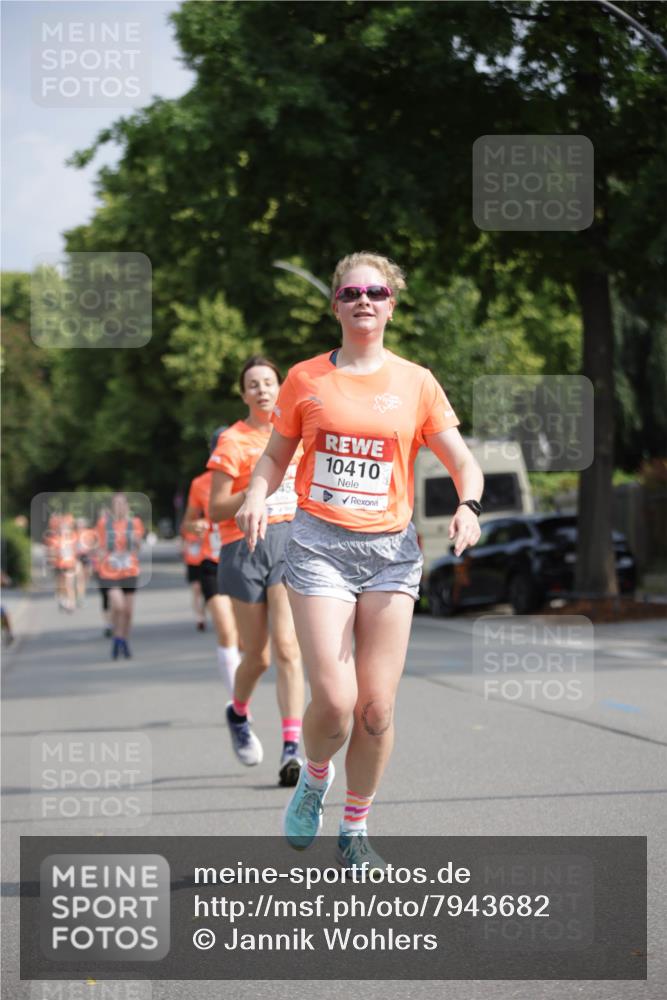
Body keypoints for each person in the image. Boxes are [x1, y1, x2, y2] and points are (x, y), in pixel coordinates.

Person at [235, 252, 484, 870]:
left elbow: (463, 461)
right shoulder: (304, 379)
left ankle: (355, 826)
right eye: (351, 292)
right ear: (337, 305)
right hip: (319, 547)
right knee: (338, 701)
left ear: (391, 304)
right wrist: (257, 494)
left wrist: (469, 505)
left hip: (392, 556)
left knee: (376, 709)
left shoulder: (417, 382)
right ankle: (315, 779)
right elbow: (273, 456)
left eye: (375, 291)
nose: (363, 300)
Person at [208, 358, 305, 788]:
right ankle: (238, 712)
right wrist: (254, 490)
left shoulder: (297, 435)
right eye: (254, 384)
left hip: (288, 542)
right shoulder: (233, 440)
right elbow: (214, 508)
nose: (263, 390)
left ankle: (291, 748)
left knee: (288, 648)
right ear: (244, 394)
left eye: (269, 382)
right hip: (244, 546)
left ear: (280, 387)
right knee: (258, 657)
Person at [182, 428, 242, 693]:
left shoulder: (250, 478)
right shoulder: (200, 484)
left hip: (243, 561)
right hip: (212, 563)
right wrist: (193, 526)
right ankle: (238, 704)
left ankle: (241, 694)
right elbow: (187, 522)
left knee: (243, 640)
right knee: (227, 631)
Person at [96, 493, 145, 660]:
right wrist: (103, 557)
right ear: (112, 507)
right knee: (118, 606)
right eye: (115, 504)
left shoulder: (135, 523)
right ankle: (117, 636)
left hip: (129, 570)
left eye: (122, 504)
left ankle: (123, 639)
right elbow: (99, 547)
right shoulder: (104, 524)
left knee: (128, 611)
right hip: (109, 571)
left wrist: (135, 542)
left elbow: (138, 548)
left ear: (126, 506)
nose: (119, 507)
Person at [180, 520, 206, 631]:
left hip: (205, 562)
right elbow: (184, 546)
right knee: (196, 590)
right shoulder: (187, 527)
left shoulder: (206, 525)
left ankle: (202, 612)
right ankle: (199, 618)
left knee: (205, 591)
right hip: (192, 564)